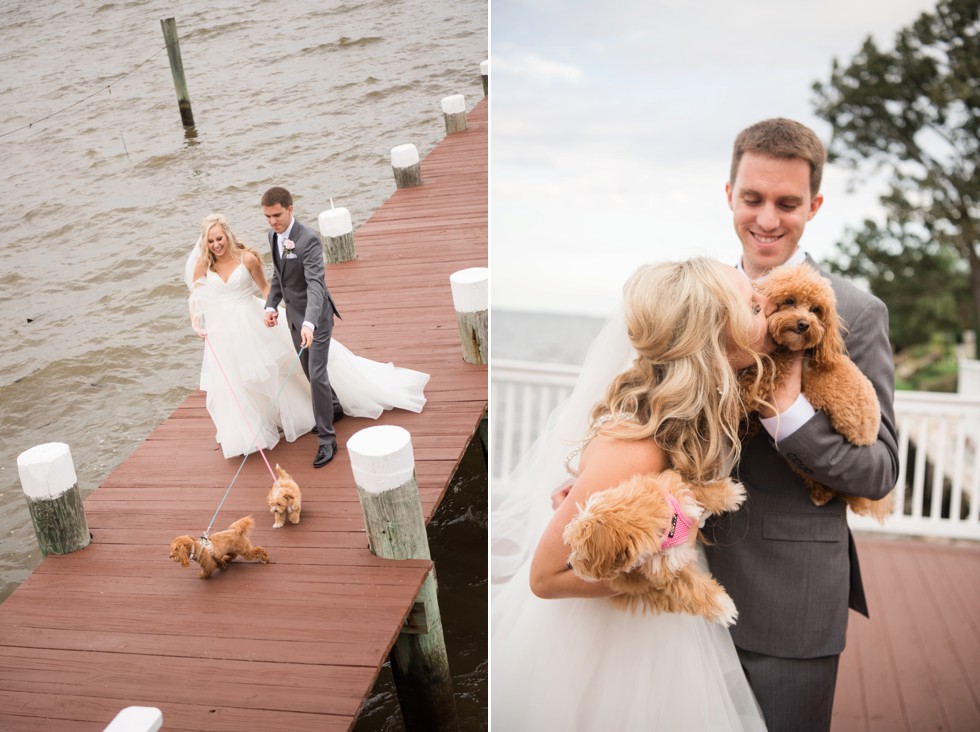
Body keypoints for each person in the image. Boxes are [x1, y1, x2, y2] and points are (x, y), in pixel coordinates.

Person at [491, 257, 774, 731]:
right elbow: (544, 578)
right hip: (611, 640)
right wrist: (656, 577)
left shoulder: (692, 416)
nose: (766, 302)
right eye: (751, 303)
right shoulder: (636, 446)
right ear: (715, 336)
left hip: (662, 628)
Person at [703, 118, 900, 732]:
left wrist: (788, 412)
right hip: (677, 579)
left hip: (788, 599)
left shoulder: (858, 312)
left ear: (814, 205)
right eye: (752, 199)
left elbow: (880, 470)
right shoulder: (696, 300)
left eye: (787, 203)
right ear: (728, 193)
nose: (766, 219)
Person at [186, 213, 429, 460]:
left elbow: (266, 288)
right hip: (224, 331)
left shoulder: (247, 258)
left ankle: (314, 415)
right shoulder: (204, 265)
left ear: (227, 234)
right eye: (211, 241)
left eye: (219, 238)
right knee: (237, 380)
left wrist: (283, 311)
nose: (216, 245)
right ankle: (255, 427)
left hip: (253, 319)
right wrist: (198, 324)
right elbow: (196, 297)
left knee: (279, 370)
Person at [261, 186, 342, 468]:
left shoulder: (308, 240)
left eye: (277, 215)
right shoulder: (273, 236)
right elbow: (278, 276)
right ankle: (333, 407)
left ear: (290, 209)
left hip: (316, 318)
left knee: (317, 374)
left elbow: (316, 286)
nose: (273, 221)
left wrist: (310, 322)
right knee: (309, 371)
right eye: (268, 216)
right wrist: (271, 306)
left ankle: (327, 440)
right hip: (293, 317)